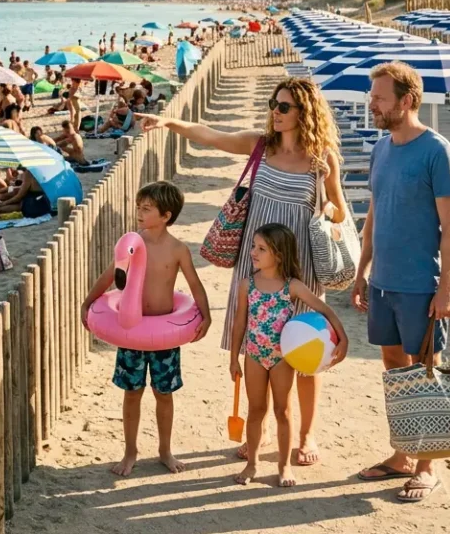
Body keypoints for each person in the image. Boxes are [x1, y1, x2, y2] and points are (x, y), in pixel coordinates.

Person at [139, 77, 347, 468]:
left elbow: (340, 208)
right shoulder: (260, 145)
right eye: (274, 103)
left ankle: (306, 435)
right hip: (256, 263)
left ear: (306, 113)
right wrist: (168, 123)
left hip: (300, 265)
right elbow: (211, 136)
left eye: (284, 106)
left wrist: (327, 216)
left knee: (304, 350)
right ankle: (261, 427)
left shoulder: (322, 159)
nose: (275, 111)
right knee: (258, 344)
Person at [350, 61, 450, 503]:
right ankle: (400, 454)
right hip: (383, 282)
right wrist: (362, 272)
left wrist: (447, 288)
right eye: (371, 96)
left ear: (407, 101)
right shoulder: (382, 148)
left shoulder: (437, 151)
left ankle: (427, 466)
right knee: (395, 370)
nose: (372, 104)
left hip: (421, 284)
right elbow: (374, 217)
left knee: (425, 371)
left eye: (379, 97)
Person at [80, 181, 210, 476]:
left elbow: (194, 285)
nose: (139, 212)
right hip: (132, 332)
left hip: (165, 335)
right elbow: (110, 276)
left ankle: (165, 450)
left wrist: (205, 315)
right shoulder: (132, 244)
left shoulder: (178, 250)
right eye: (139, 206)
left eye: (147, 208)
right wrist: (88, 302)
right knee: (132, 392)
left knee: (164, 394)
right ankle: (130, 451)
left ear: (166, 215)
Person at [231, 224, 348, 487]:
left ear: (279, 255)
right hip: (253, 356)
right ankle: (252, 464)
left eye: (261, 248)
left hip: (282, 358)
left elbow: (325, 310)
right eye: (253, 247)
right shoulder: (246, 285)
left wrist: (343, 337)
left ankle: (283, 467)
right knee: (255, 410)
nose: (253, 252)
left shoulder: (292, 287)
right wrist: (233, 359)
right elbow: (239, 324)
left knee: (283, 410)